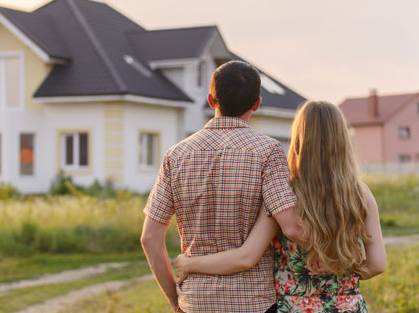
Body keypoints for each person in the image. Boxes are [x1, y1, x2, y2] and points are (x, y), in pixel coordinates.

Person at [175, 101, 387, 313]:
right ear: (342, 140)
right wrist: (340, 280)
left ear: (298, 140)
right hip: (348, 306)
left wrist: (189, 264)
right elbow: (377, 264)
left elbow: (245, 257)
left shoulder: (282, 195)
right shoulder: (361, 195)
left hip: (294, 307)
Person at [141, 61, 303, 313]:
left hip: (195, 302)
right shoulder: (268, 152)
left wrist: (176, 300)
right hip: (254, 303)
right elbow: (290, 226)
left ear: (210, 100)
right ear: (257, 103)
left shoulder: (176, 156)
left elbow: (150, 237)